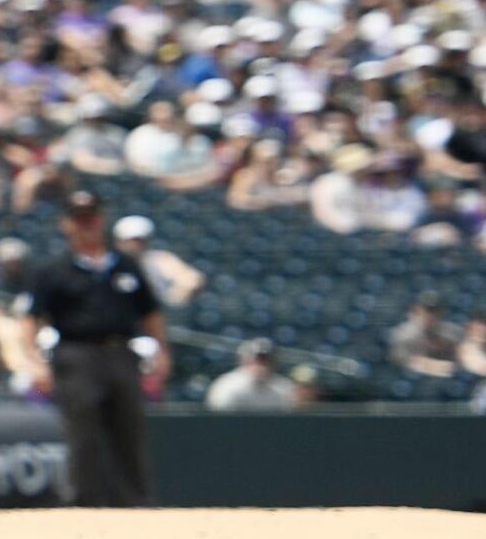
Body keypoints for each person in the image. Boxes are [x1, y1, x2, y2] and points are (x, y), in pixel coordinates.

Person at [24, 190, 171, 506]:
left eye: (90, 217)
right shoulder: (54, 270)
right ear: (67, 224)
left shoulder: (126, 265)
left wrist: (162, 351)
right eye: (79, 219)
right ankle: (85, 504)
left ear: (102, 220)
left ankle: (135, 503)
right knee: (83, 433)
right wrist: (35, 362)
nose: (86, 225)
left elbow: (151, 313)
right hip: (76, 355)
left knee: (128, 430)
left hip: (122, 352)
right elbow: (31, 319)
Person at [204, 338, 296, 411]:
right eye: (256, 360)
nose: (261, 365)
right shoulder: (227, 386)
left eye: (266, 360)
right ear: (244, 360)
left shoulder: (284, 388)